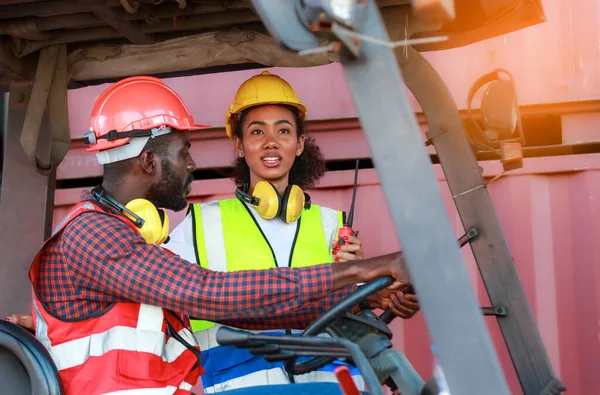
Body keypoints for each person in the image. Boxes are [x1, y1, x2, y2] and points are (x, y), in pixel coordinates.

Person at [20, 75, 412, 395]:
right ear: (149, 161)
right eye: (183, 151)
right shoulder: (95, 235)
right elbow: (214, 294)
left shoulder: (126, 236)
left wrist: (357, 297)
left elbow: (250, 311)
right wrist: (366, 269)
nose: (192, 163)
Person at [163, 71, 421, 393]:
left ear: (299, 144)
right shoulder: (199, 225)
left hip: (334, 387)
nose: (271, 141)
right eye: (257, 131)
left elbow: (350, 312)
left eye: (283, 131)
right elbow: (182, 302)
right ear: (240, 146)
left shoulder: (334, 225)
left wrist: (378, 298)